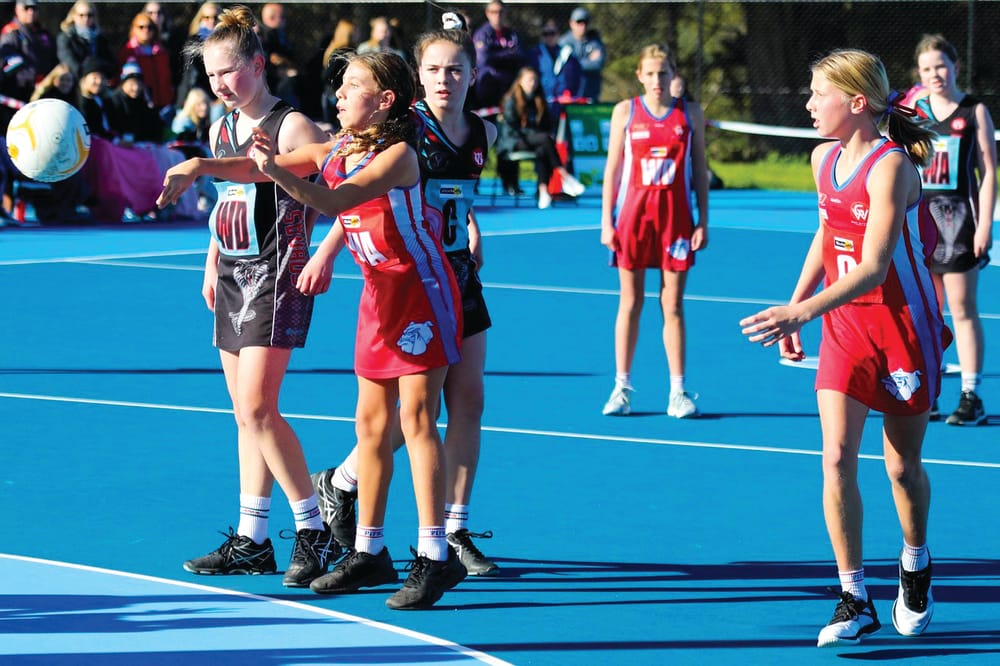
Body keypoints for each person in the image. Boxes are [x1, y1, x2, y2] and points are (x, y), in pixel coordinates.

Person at [159, 48, 468, 611]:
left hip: (420, 293)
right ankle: (370, 551)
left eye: (352, 86)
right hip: (378, 297)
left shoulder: (397, 155)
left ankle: (435, 554)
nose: (340, 94)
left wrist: (277, 170)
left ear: (384, 101)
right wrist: (200, 166)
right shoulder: (341, 145)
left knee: (418, 421)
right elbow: (256, 169)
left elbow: (334, 198)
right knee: (370, 427)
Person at [739, 49, 950, 647]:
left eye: (816, 94)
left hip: (902, 327)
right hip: (844, 328)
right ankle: (853, 595)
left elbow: (877, 264)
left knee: (902, 466)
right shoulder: (821, 158)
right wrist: (796, 305)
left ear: (857, 103)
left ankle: (915, 562)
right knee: (835, 457)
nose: (807, 104)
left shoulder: (892, 167)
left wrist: (802, 309)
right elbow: (829, 232)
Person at [309, 16, 501, 579]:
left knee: (468, 402)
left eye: (456, 69)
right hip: (415, 280)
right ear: (419, 78)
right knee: (417, 410)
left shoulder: (484, 134)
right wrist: (326, 250)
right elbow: (368, 197)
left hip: (459, 277)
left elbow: (448, 201)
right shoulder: (404, 131)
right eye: (435, 70)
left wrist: (471, 224)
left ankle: (456, 526)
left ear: (472, 75)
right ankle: (349, 483)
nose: (446, 79)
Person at [155, 4, 336, 588]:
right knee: (244, 415)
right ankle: (252, 537)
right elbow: (225, 201)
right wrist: (210, 262)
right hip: (234, 272)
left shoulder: (292, 126)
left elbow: (288, 181)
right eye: (210, 76)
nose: (219, 84)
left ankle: (313, 527)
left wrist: (203, 165)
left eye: (228, 72)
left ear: (258, 65)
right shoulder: (220, 125)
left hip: (278, 272)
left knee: (259, 406)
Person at [599, 43, 708, 419]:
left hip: (676, 221)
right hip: (633, 220)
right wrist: (606, 222)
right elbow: (613, 170)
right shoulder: (625, 112)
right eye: (651, 73)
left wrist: (703, 221)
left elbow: (700, 173)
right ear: (640, 76)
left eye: (664, 73)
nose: (658, 80)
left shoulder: (689, 113)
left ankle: (678, 391)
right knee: (630, 302)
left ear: (672, 75)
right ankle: (622, 388)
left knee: (672, 305)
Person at [912, 34, 995, 426]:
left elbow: (988, 171)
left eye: (941, 66)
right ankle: (927, 391)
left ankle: (970, 395)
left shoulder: (973, 111)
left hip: (961, 221)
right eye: (927, 69)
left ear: (956, 66)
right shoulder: (915, 112)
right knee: (925, 312)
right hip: (921, 221)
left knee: (962, 309)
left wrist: (986, 227)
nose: (935, 74)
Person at [498, 66, 585, 209]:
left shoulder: (538, 100)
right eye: (529, 80)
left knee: (542, 149)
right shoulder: (511, 101)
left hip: (535, 141)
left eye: (535, 80)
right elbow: (513, 128)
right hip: (513, 141)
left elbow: (546, 124)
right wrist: (536, 134)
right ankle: (565, 176)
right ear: (520, 81)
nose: (533, 83)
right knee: (544, 140)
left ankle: (544, 192)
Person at [472, 0, 524, 193]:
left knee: (508, 140)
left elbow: (520, 57)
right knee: (481, 142)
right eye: (493, 11)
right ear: (487, 13)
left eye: (501, 11)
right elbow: (484, 59)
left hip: (508, 98)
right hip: (485, 96)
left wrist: (499, 56)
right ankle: (473, 182)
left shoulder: (512, 34)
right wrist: (507, 55)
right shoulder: (482, 34)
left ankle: (511, 184)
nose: (497, 15)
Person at [118, 10, 174, 113]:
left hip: (165, 104)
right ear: (134, 29)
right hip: (140, 106)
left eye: (150, 27)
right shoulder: (127, 52)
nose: (146, 30)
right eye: (141, 27)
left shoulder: (162, 52)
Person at [530, 18, 581, 119]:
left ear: (558, 34)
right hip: (541, 105)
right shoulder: (535, 54)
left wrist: (569, 94)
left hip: (563, 106)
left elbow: (576, 79)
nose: (549, 37)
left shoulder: (567, 54)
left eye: (552, 33)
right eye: (546, 33)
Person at [56, 1, 116, 84]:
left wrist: (101, 75)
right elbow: (68, 61)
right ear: (74, 16)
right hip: (75, 83)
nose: (86, 19)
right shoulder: (66, 37)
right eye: (81, 15)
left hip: (99, 83)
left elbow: (110, 62)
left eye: (89, 15)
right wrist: (86, 77)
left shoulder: (100, 38)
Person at [1, 0, 57, 84]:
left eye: (34, 8)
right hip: (22, 88)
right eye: (26, 8)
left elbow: (54, 59)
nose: (31, 12)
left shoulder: (44, 33)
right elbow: (9, 66)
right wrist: (33, 79)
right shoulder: (11, 33)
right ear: (17, 10)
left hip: (47, 84)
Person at [107, 59, 163, 143]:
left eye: (139, 84)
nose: (136, 88)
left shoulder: (143, 100)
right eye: (132, 84)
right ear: (123, 83)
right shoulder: (113, 101)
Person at [559, 7, 605, 101]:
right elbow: (563, 67)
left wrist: (575, 63)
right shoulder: (564, 42)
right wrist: (587, 61)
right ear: (571, 23)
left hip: (590, 94)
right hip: (570, 96)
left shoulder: (595, 41)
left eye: (585, 22)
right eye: (579, 22)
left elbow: (598, 64)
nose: (582, 26)